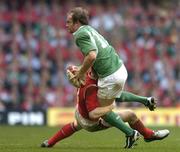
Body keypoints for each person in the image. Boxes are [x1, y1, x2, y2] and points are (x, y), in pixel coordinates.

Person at [65, 7, 156, 146]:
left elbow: (92, 55)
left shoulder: (79, 34)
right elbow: (96, 57)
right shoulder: (89, 29)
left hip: (109, 75)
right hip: (119, 68)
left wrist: (81, 72)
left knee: (99, 111)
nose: (66, 25)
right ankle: (145, 101)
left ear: (77, 22)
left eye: (69, 22)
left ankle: (130, 133)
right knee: (114, 95)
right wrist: (83, 69)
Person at [41, 68, 169, 148]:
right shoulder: (93, 88)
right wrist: (111, 106)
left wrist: (144, 100)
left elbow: (72, 68)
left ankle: (49, 142)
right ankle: (134, 134)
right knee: (124, 112)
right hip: (92, 122)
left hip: (80, 113)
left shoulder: (87, 75)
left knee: (75, 125)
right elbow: (94, 114)